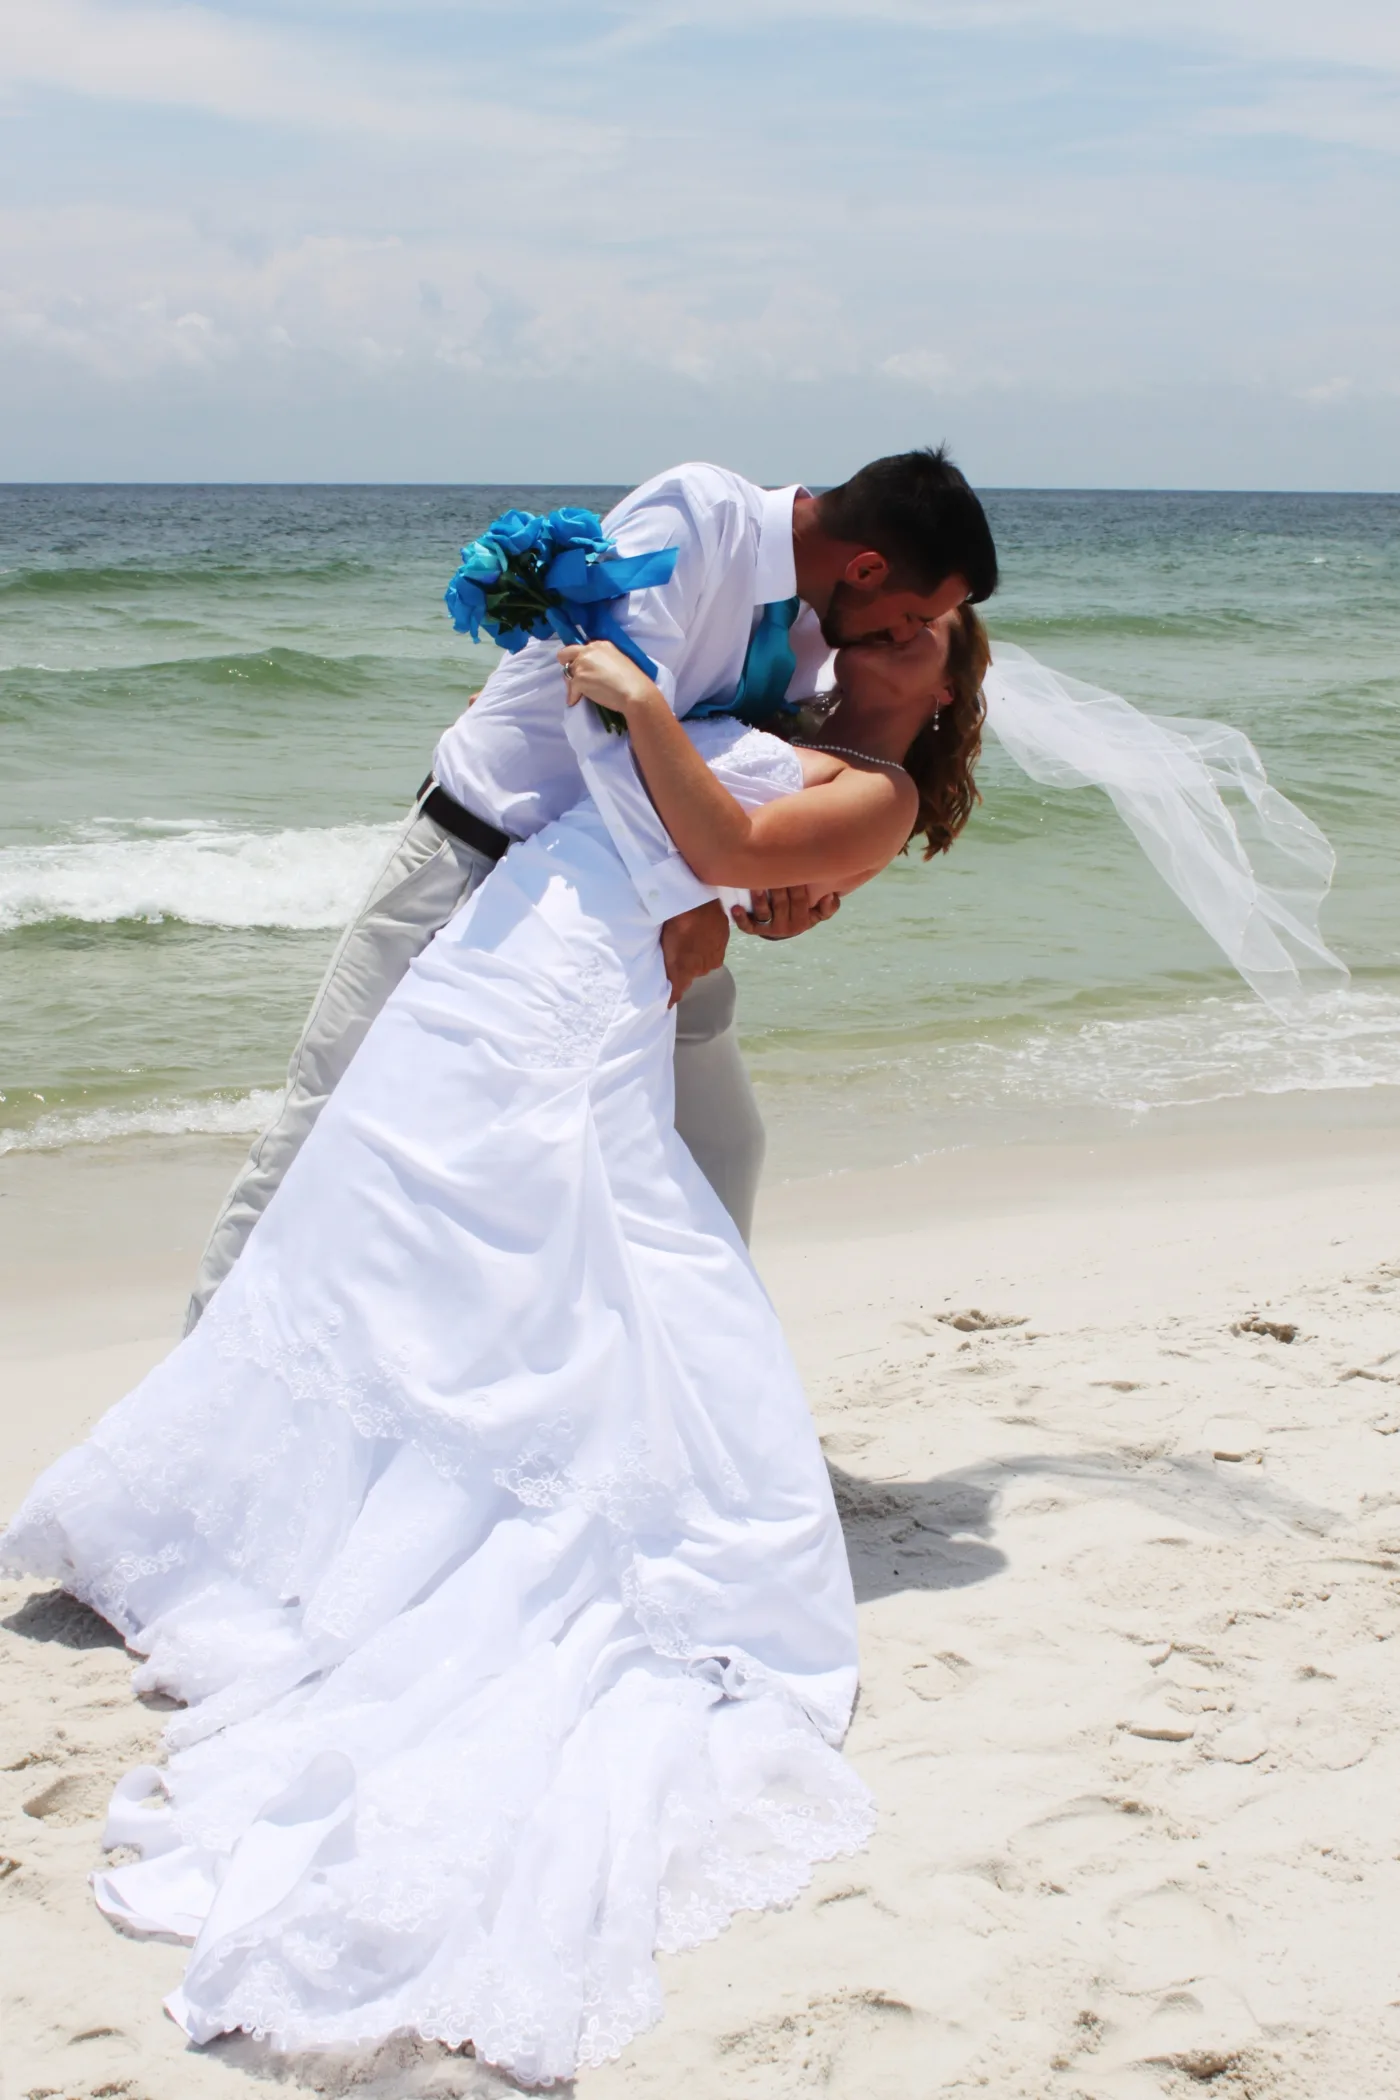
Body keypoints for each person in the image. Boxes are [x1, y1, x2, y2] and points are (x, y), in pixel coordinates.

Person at [0, 611, 989, 2085]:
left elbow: (722, 834)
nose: (874, 640)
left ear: (951, 687)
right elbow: (696, 826)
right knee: (448, 1224)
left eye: (915, 639)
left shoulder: (884, 786)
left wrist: (653, 729)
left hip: (599, 982)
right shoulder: (789, 698)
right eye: (884, 617)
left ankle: (613, 1468)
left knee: (626, 1240)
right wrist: (555, 687)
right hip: (547, 944)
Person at [183, 449, 998, 1328]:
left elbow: (729, 769)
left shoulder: (812, 636)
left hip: (618, 921)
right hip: (476, 858)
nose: (892, 637)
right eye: (909, 613)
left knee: (669, 1154)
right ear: (867, 568)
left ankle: (685, 1388)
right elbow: (601, 710)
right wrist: (685, 897)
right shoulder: (694, 520)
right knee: (330, 1114)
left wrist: (792, 883)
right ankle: (206, 1362)